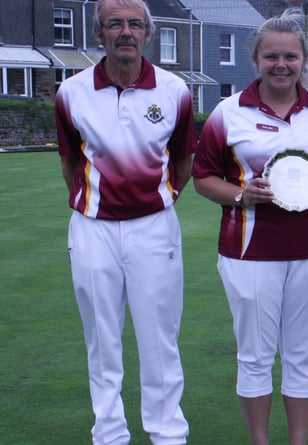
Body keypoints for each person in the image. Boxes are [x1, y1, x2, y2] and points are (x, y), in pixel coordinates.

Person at [191, 9, 308, 445]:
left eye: (291, 57)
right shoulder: (228, 112)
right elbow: (202, 178)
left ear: (304, 60)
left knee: (301, 354)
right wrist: (242, 194)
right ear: (255, 59)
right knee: (255, 356)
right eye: (272, 56)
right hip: (248, 251)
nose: (281, 65)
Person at [54, 0, 195, 443]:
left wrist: (161, 198)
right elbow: (70, 162)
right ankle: (110, 433)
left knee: (159, 336)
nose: (126, 32)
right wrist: (95, 203)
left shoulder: (174, 91)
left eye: (135, 24)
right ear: (100, 34)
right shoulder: (71, 92)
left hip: (154, 226)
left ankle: (166, 431)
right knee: (102, 337)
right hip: (93, 228)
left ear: (148, 34)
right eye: (115, 24)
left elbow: (184, 160)